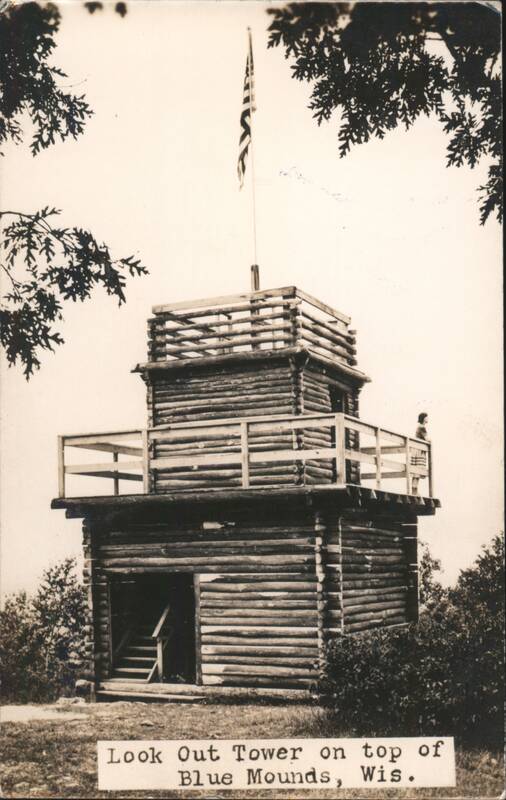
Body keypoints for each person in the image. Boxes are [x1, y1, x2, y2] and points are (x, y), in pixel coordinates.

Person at [411, 412, 429, 495]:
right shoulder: (422, 427)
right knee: (417, 470)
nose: (427, 419)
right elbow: (426, 439)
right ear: (423, 418)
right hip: (419, 450)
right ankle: (414, 490)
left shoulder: (420, 427)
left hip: (417, 449)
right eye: (426, 417)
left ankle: (414, 489)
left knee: (416, 470)